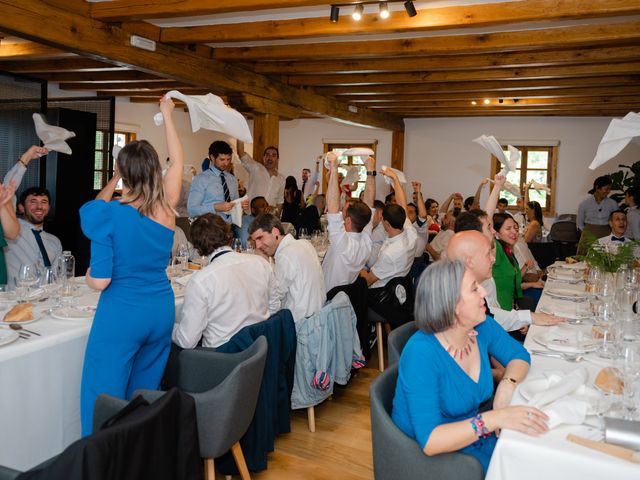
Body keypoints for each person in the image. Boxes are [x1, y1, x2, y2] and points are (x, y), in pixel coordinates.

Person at [79, 95, 183, 435]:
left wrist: (90, 275)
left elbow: (101, 281)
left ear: (123, 173)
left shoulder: (106, 215)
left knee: (102, 400)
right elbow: (178, 160)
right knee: (143, 397)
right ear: (155, 169)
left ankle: (102, 463)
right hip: (160, 309)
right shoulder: (167, 207)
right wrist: (167, 114)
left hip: (123, 313)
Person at [392, 259, 547, 474]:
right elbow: (430, 441)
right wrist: (496, 418)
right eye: (474, 288)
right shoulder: (421, 353)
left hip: (475, 434)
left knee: (536, 454)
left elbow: (518, 355)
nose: (483, 291)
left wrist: (507, 384)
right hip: (436, 457)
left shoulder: (480, 325)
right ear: (451, 304)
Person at [172, 214, 276, 348]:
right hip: (260, 350)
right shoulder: (261, 263)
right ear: (228, 234)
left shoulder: (200, 281)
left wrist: (169, 327)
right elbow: (274, 307)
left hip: (222, 359)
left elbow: (187, 341)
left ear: (197, 247)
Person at [448, 228, 564, 332]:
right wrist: (526, 317)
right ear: (469, 261)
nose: (493, 259)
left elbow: (493, 328)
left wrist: (525, 318)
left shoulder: (475, 286)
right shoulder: (457, 303)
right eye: (488, 254)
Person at [249, 213, 324, 323]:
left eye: (260, 238)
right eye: (255, 241)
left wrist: (263, 266)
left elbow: (273, 301)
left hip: (301, 326)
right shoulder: (304, 243)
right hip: (319, 317)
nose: (258, 246)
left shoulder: (285, 255)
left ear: (275, 232)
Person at [322, 152, 374, 293]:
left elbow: (332, 207)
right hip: (346, 295)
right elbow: (369, 205)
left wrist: (334, 168)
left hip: (328, 296)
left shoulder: (342, 242)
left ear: (348, 220)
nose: (340, 213)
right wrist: (370, 171)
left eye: (343, 212)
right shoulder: (366, 241)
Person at [360, 167, 417, 289]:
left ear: (386, 224)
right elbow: (403, 204)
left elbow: (369, 280)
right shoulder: (411, 233)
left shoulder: (389, 253)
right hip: (400, 285)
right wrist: (395, 179)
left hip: (381, 294)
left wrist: (356, 263)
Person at [5, 187, 62, 283]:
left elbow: (57, 276)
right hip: (16, 295)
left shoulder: (54, 241)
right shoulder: (9, 233)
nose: (39, 206)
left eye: (44, 202)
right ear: (21, 208)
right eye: (33, 202)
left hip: (48, 295)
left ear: (48, 208)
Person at [492, 213, 544, 311]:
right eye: (508, 228)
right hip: (501, 310)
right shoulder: (497, 249)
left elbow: (513, 280)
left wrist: (525, 267)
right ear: (496, 233)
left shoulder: (508, 251)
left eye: (515, 228)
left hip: (512, 307)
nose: (514, 232)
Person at [187, 141, 247, 223]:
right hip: (209, 226)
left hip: (231, 226)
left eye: (228, 159)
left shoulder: (232, 179)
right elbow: (192, 210)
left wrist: (240, 206)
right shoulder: (200, 179)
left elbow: (234, 204)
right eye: (222, 159)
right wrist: (215, 207)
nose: (226, 163)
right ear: (212, 157)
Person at [239, 144, 286, 211]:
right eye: (267, 155)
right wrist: (241, 134)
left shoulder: (281, 179)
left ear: (277, 159)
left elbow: (279, 202)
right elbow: (241, 152)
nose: (270, 157)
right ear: (264, 158)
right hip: (250, 215)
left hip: (268, 217)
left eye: (273, 155)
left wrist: (277, 219)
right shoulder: (255, 168)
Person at [577, 175, 618, 245]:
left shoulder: (613, 204)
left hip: (607, 235)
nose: (608, 191)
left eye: (609, 189)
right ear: (597, 188)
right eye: (606, 189)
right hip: (588, 237)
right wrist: (585, 235)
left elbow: (617, 220)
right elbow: (579, 224)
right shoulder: (584, 204)